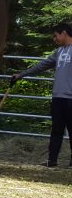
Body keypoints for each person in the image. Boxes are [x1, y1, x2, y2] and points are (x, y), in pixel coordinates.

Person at [10, 23, 72, 167]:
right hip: (58, 97)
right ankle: (52, 161)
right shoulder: (58, 52)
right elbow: (42, 65)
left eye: (55, 36)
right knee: (56, 129)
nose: (54, 39)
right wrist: (21, 74)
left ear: (64, 33)